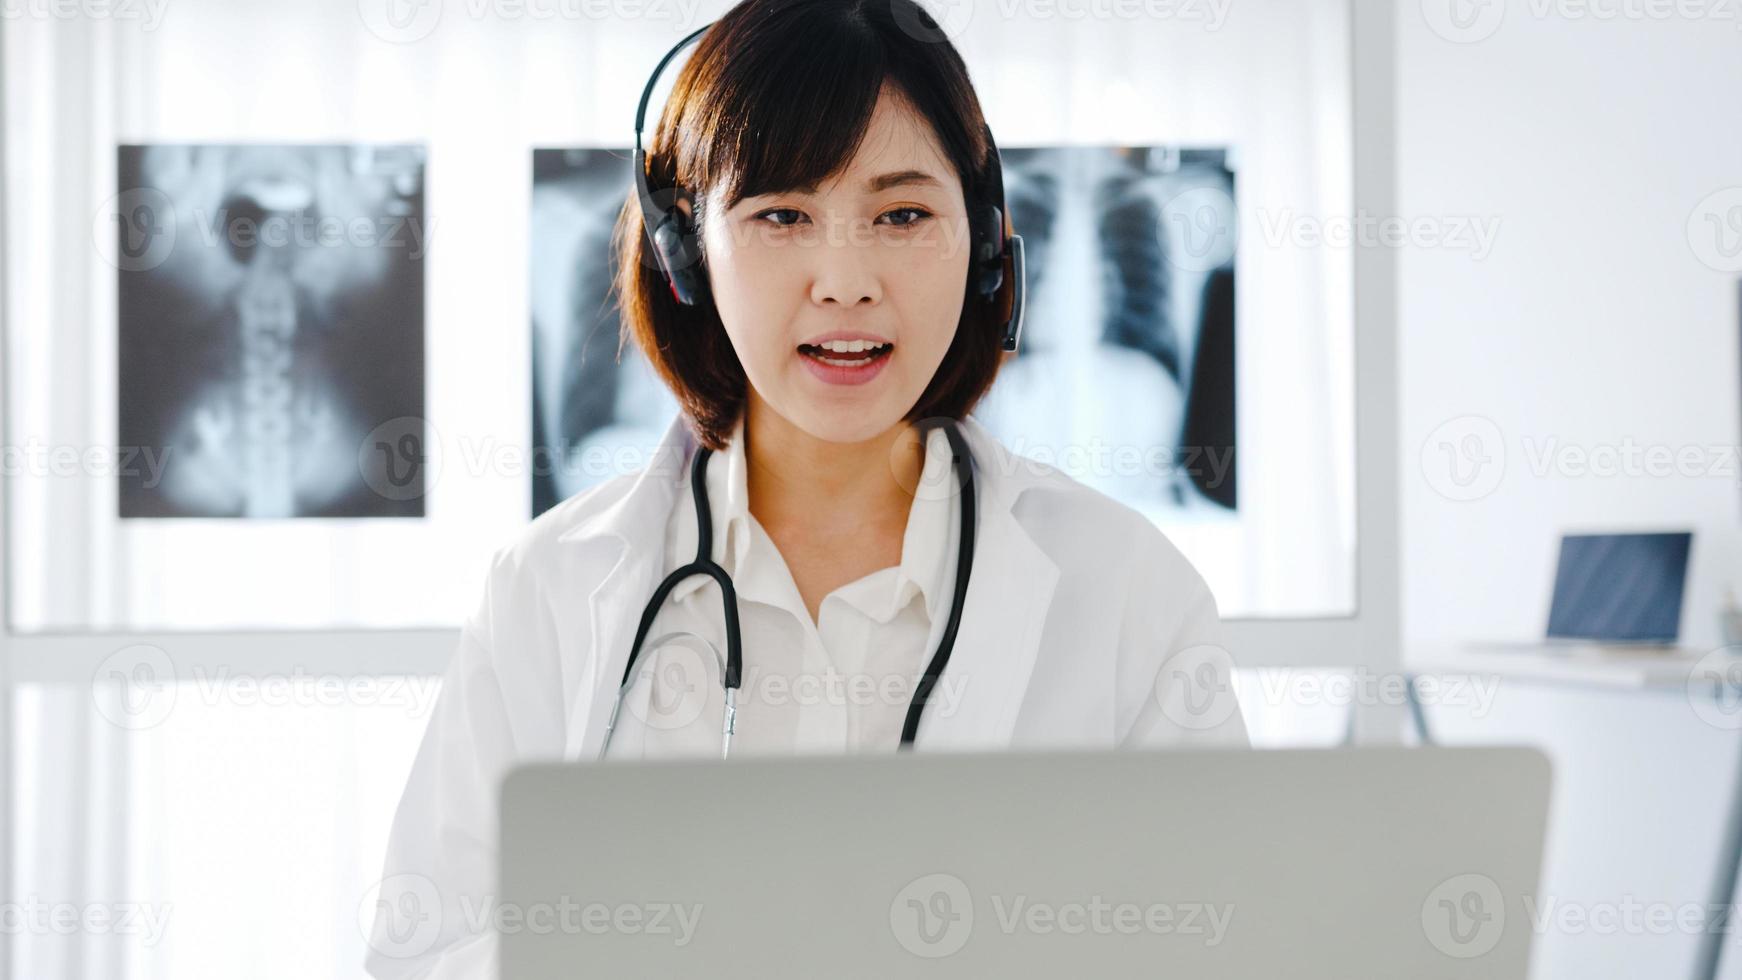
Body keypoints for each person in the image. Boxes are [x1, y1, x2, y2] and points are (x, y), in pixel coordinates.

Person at [365, 0, 1246, 976]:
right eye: (781, 214)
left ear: (986, 241)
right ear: (686, 252)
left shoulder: (1127, 592)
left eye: (902, 213)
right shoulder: (548, 590)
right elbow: (424, 948)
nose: (844, 278)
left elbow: (1225, 942)